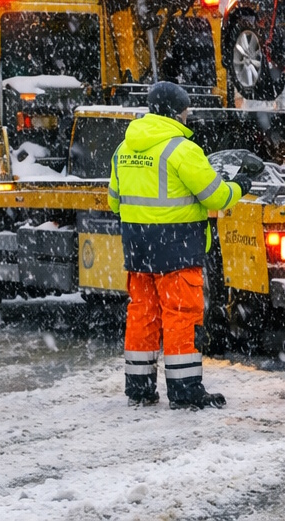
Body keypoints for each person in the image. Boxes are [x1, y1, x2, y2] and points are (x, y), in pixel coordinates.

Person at [108, 81, 245, 408]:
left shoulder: (123, 149)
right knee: (181, 315)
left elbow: (115, 202)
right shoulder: (181, 150)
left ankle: (139, 389)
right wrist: (239, 187)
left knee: (142, 314)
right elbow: (216, 196)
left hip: (139, 249)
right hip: (177, 248)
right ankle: (184, 392)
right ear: (176, 112)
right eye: (185, 112)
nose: (187, 117)